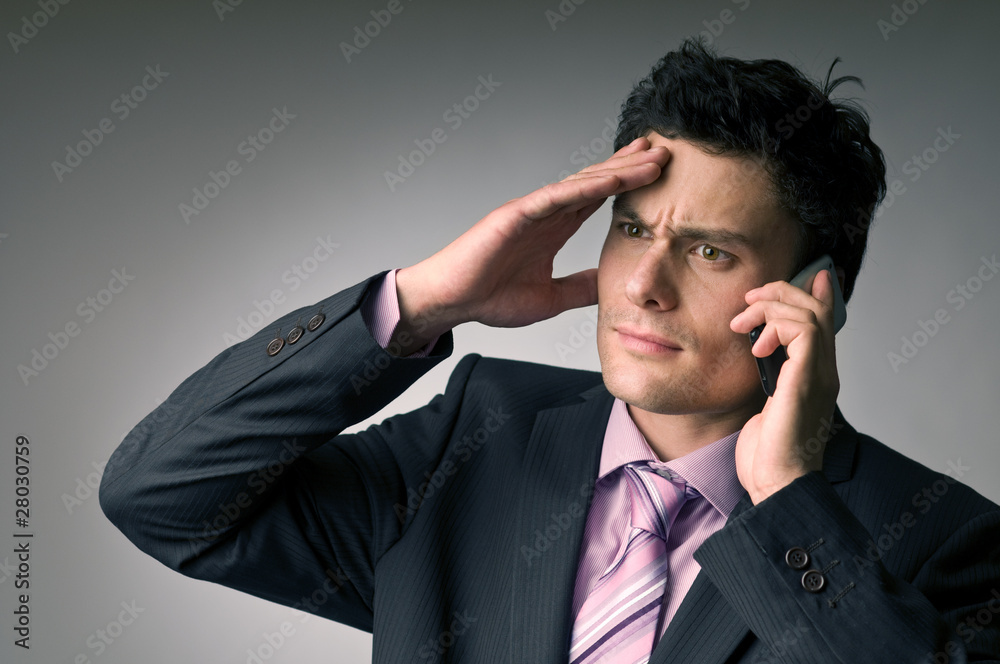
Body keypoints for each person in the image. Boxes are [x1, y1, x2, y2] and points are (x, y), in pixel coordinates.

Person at [100, 39, 1000, 663]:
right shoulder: (475, 435)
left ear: (813, 295)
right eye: (632, 230)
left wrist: (792, 503)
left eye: (709, 252)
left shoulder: (940, 537)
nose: (642, 286)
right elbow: (162, 496)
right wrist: (421, 302)